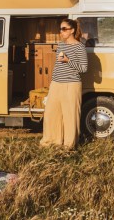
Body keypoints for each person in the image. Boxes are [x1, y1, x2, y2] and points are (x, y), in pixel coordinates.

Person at [40, 18, 88, 148]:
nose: (61, 31)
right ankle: (51, 142)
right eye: (60, 29)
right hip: (56, 83)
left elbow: (84, 68)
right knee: (51, 114)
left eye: (64, 29)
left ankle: (69, 145)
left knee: (70, 115)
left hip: (71, 85)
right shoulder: (61, 45)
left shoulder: (79, 47)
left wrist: (68, 60)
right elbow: (58, 65)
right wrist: (52, 82)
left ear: (72, 30)